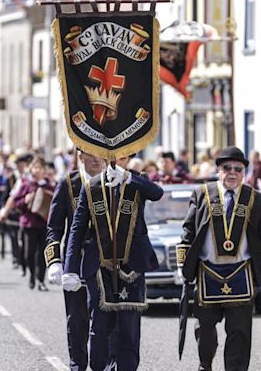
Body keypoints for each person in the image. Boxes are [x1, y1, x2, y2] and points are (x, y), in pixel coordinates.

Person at [177, 146, 261, 371]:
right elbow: (188, 231)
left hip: (241, 273)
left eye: (238, 169)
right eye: (227, 168)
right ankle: (205, 365)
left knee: (240, 333)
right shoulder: (202, 193)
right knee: (205, 329)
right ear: (218, 170)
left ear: (244, 172)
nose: (232, 173)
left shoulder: (255, 199)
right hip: (208, 273)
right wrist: (183, 265)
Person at [63, 154, 163, 370]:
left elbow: (157, 193)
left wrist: (127, 177)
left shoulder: (137, 181)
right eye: (114, 156)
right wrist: (69, 268)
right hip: (99, 266)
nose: (118, 160)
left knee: (129, 329)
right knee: (100, 328)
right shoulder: (91, 187)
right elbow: (77, 228)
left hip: (132, 265)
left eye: (124, 157)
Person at [45, 150, 104, 370]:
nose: (97, 158)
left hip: (106, 264)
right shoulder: (68, 183)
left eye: (101, 153)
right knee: (77, 321)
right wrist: (54, 261)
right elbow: (54, 228)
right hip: (76, 263)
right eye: (91, 154)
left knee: (105, 322)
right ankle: (77, 365)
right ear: (80, 156)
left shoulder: (114, 180)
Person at [14, 157, 55, 290]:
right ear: (31, 169)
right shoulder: (26, 185)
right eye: (35, 167)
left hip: (44, 224)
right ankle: (32, 274)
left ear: (44, 170)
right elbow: (16, 203)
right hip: (29, 224)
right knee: (29, 253)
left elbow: (55, 204)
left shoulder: (50, 186)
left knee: (42, 253)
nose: (37, 170)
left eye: (40, 168)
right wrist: (25, 200)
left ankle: (40, 280)